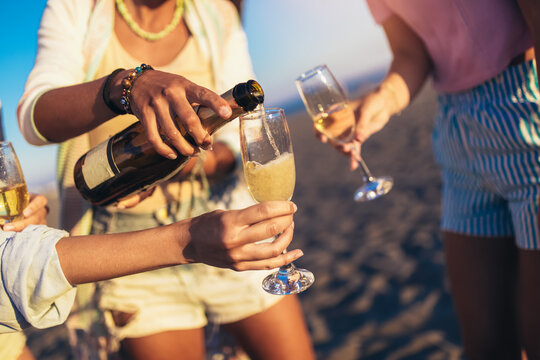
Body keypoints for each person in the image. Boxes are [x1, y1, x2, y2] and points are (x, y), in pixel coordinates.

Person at [17, 0, 314, 359]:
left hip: (224, 220)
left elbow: (238, 142)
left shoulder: (217, 14)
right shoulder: (78, 9)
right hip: (131, 248)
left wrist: (186, 163)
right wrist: (125, 86)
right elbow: (34, 120)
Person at [318, 0, 540, 359]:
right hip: (456, 127)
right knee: (486, 347)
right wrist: (382, 100)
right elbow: (410, 52)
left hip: (527, 108)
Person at [1, 200, 300, 353]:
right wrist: (188, 241)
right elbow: (34, 114)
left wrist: (28, 226)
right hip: (136, 262)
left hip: (223, 222)